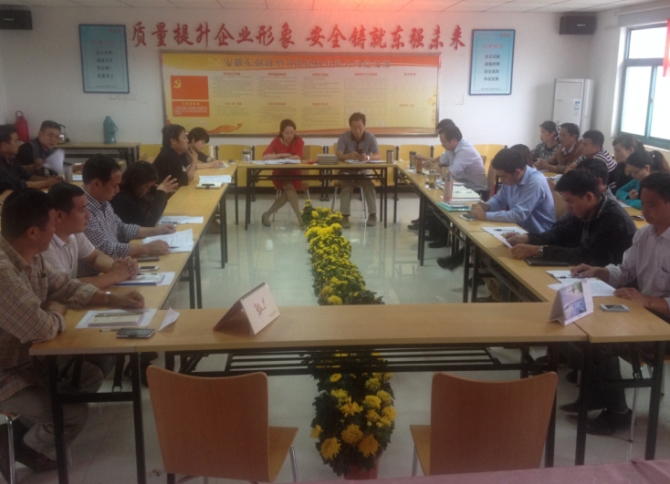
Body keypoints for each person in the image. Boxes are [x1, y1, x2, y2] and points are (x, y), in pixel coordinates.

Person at [0, 189, 144, 479]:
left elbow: (65, 287)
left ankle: (26, 429)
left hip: (28, 361)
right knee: (72, 414)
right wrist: (56, 310)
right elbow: (41, 327)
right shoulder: (3, 271)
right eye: (51, 224)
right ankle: (21, 447)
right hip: (6, 372)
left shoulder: (30, 256)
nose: (55, 230)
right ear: (33, 232)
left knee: (87, 374)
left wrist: (113, 299)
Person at [568, 172, 670, 435]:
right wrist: (599, 271)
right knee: (581, 324)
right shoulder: (645, 235)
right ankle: (598, 395)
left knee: (604, 342)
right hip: (644, 313)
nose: (644, 211)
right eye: (643, 203)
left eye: (651, 205)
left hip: (664, 323)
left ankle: (618, 413)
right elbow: (625, 271)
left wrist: (646, 300)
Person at [503, 169, 636, 266]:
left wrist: (539, 251)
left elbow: (584, 254)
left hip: (612, 283)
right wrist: (528, 238)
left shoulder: (613, 219)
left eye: (570, 201)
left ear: (589, 197)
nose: (568, 208)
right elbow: (560, 234)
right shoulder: (585, 210)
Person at [80, 155, 174, 276]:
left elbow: (121, 228)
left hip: (112, 268)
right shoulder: (82, 209)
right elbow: (105, 250)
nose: (118, 190)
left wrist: (156, 230)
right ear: (97, 184)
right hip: (95, 276)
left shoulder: (103, 201)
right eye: (114, 185)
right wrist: (146, 248)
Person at [43, 183, 139, 288]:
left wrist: (115, 266)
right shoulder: (45, 245)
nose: (88, 215)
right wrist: (115, 275)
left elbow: (95, 257)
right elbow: (66, 286)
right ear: (59, 215)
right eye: (82, 209)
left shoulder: (75, 234)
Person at [470, 149, 555, 233]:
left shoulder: (535, 182)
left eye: (503, 176)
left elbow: (518, 215)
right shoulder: (512, 178)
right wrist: (488, 206)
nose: (501, 180)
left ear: (517, 173)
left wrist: (485, 216)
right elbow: (500, 199)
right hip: (519, 228)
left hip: (538, 234)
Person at [335, 112, 379, 228]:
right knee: (347, 185)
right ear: (350, 127)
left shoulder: (370, 137)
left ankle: (373, 215)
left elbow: (378, 155)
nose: (357, 130)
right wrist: (348, 156)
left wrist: (367, 157)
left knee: (369, 185)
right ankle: (344, 216)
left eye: (360, 127)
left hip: (363, 171)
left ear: (364, 126)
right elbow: (338, 154)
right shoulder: (344, 137)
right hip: (346, 171)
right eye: (354, 127)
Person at [261, 119, 305, 227]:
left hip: (294, 174)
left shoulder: (298, 140)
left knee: (288, 192)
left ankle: (267, 214)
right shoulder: (276, 141)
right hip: (280, 174)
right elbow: (265, 156)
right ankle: (300, 218)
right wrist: (282, 155)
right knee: (289, 188)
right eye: (287, 133)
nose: (290, 135)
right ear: (281, 132)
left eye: (292, 132)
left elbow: (297, 157)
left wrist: (283, 157)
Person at [111, 161, 178, 227]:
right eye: (147, 186)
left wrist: (162, 194)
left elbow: (150, 208)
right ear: (137, 182)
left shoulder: (133, 194)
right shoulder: (123, 198)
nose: (148, 190)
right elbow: (149, 222)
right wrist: (161, 194)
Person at [0, 124, 63, 191]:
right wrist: (46, 183)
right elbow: (18, 184)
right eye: (16, 141)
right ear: (4, 145)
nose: (19, 143)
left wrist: (51, 180)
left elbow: (28, 176)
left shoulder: (11, 158)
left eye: (57, 137)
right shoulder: (26, 148)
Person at [438, 125, 488, 197]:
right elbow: (441, 164)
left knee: (440, 195)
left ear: (454, 140)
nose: (442, 145)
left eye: (444, 142)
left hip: (476, 191)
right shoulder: (451, 147)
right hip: (462, 187)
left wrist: (436, 171)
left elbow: (450, 174)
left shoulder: (466, 151)